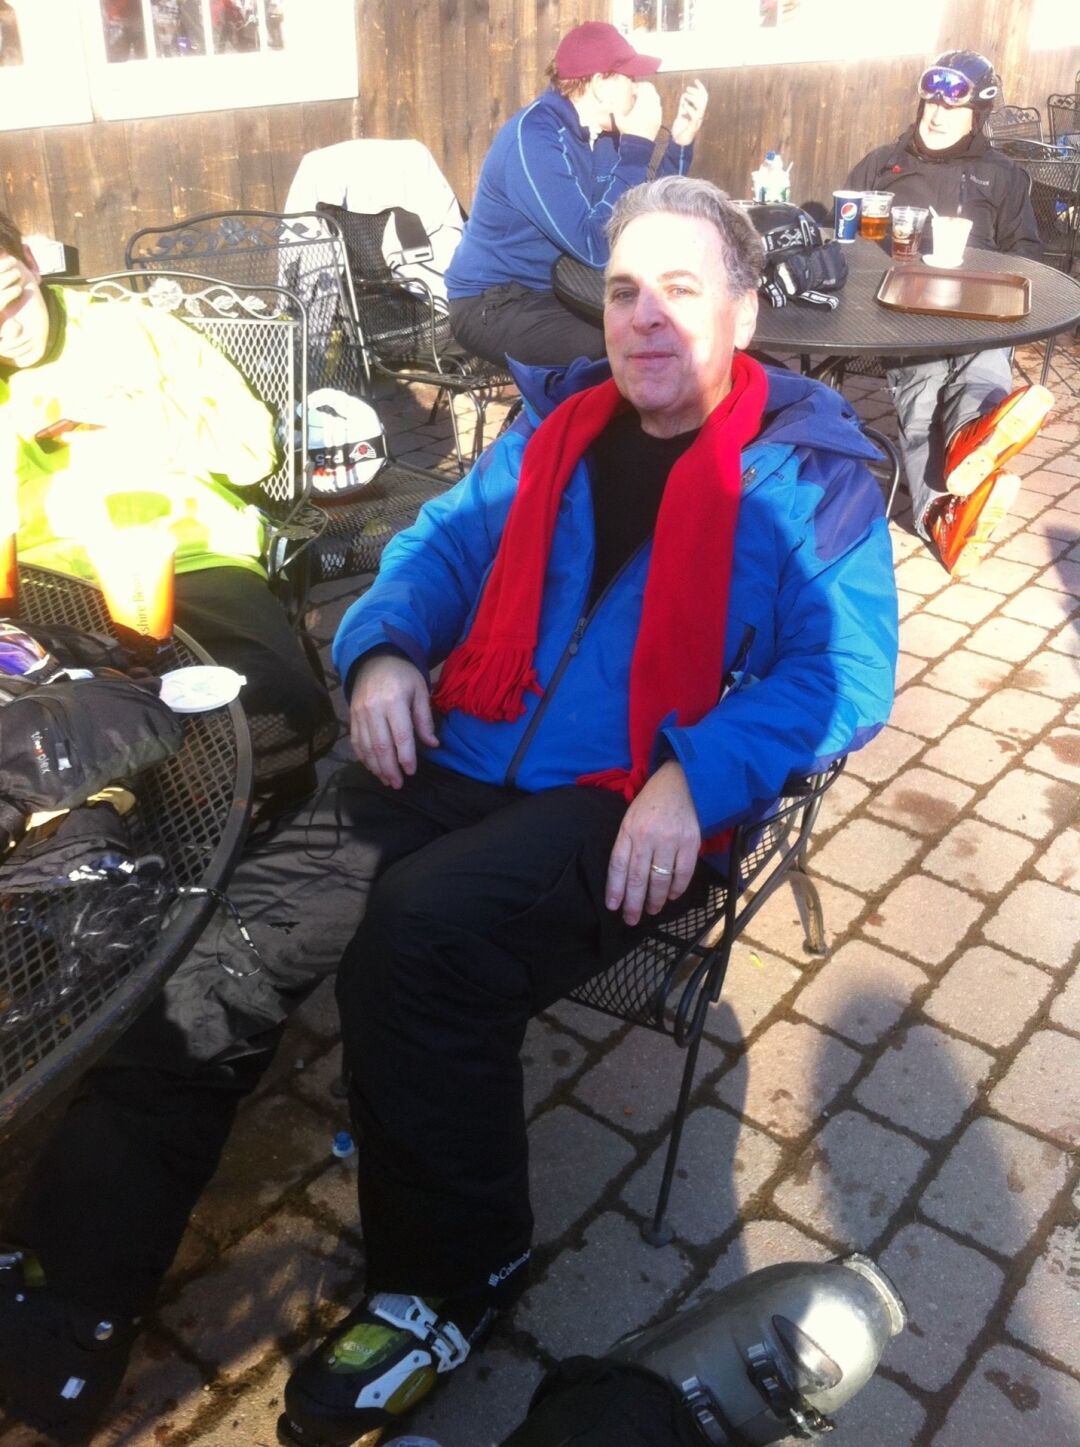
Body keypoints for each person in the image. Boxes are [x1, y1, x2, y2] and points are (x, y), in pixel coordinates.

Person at [0, 176, 897, 1445]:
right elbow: (435, 546)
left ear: (744, 314)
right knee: (226, 939)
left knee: (419, 939)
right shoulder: (557, 428)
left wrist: (698, 775)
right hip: (463, 737)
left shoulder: (809, 470)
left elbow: (843, 673)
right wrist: (383, 651)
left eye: (680, 290)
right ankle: (65, 1287)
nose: (644, 318)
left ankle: (451, 1276)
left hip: (624, 797)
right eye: (624, 291)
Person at [0, 212, 336, 800]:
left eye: (12, 295)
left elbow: (253, 452)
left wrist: (144, 416)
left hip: (184, 555)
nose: (7, 329)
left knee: (268, 707)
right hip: (43, 583)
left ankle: (222, 813)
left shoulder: (134, 332)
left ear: (32, 263)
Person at [846, 49, 1053, 579]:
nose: (937, 115)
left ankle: (959, 469)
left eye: (953, 108)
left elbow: (1027, 251)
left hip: (980, 314)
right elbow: (846, 239)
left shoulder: (1003, 175)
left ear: (975, 116)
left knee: (982, 368)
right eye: (931, 103)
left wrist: (994, 279)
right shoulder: (881, 165)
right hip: (902, 314)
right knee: (922, 394)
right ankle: (944, 505)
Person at [446, 20, 707, 367]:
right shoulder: (534, 140)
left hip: (562, 288)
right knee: (621, 344)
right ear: (600, 84)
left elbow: (642, 216)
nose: (638, 89)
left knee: (660, 328)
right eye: (630, 79)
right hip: (494, 302)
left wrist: (679, 145)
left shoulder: (602, 135)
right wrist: (636, 146)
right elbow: (595, 247)